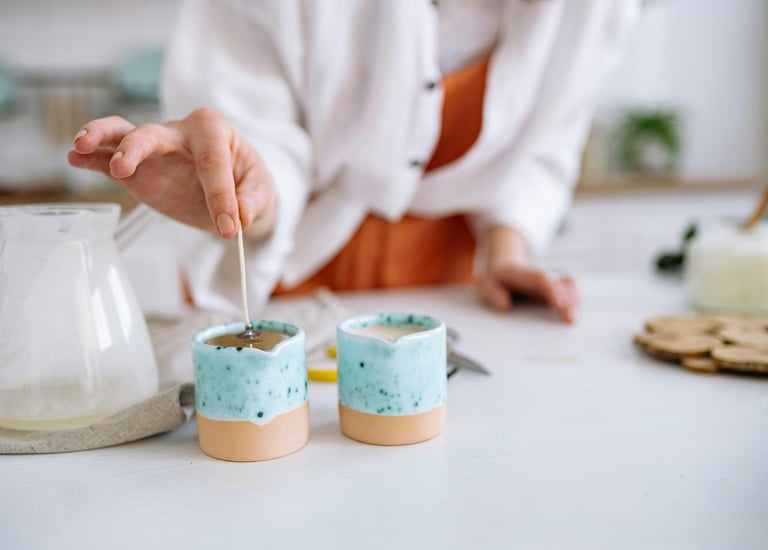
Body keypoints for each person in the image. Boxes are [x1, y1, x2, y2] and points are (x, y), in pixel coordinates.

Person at [68, 0, 638, 323]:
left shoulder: (598, 10)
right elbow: (254, 132)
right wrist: (246, 195)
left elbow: (549, 137)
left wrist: (507, 244)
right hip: (285, 279)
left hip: (455, 294)